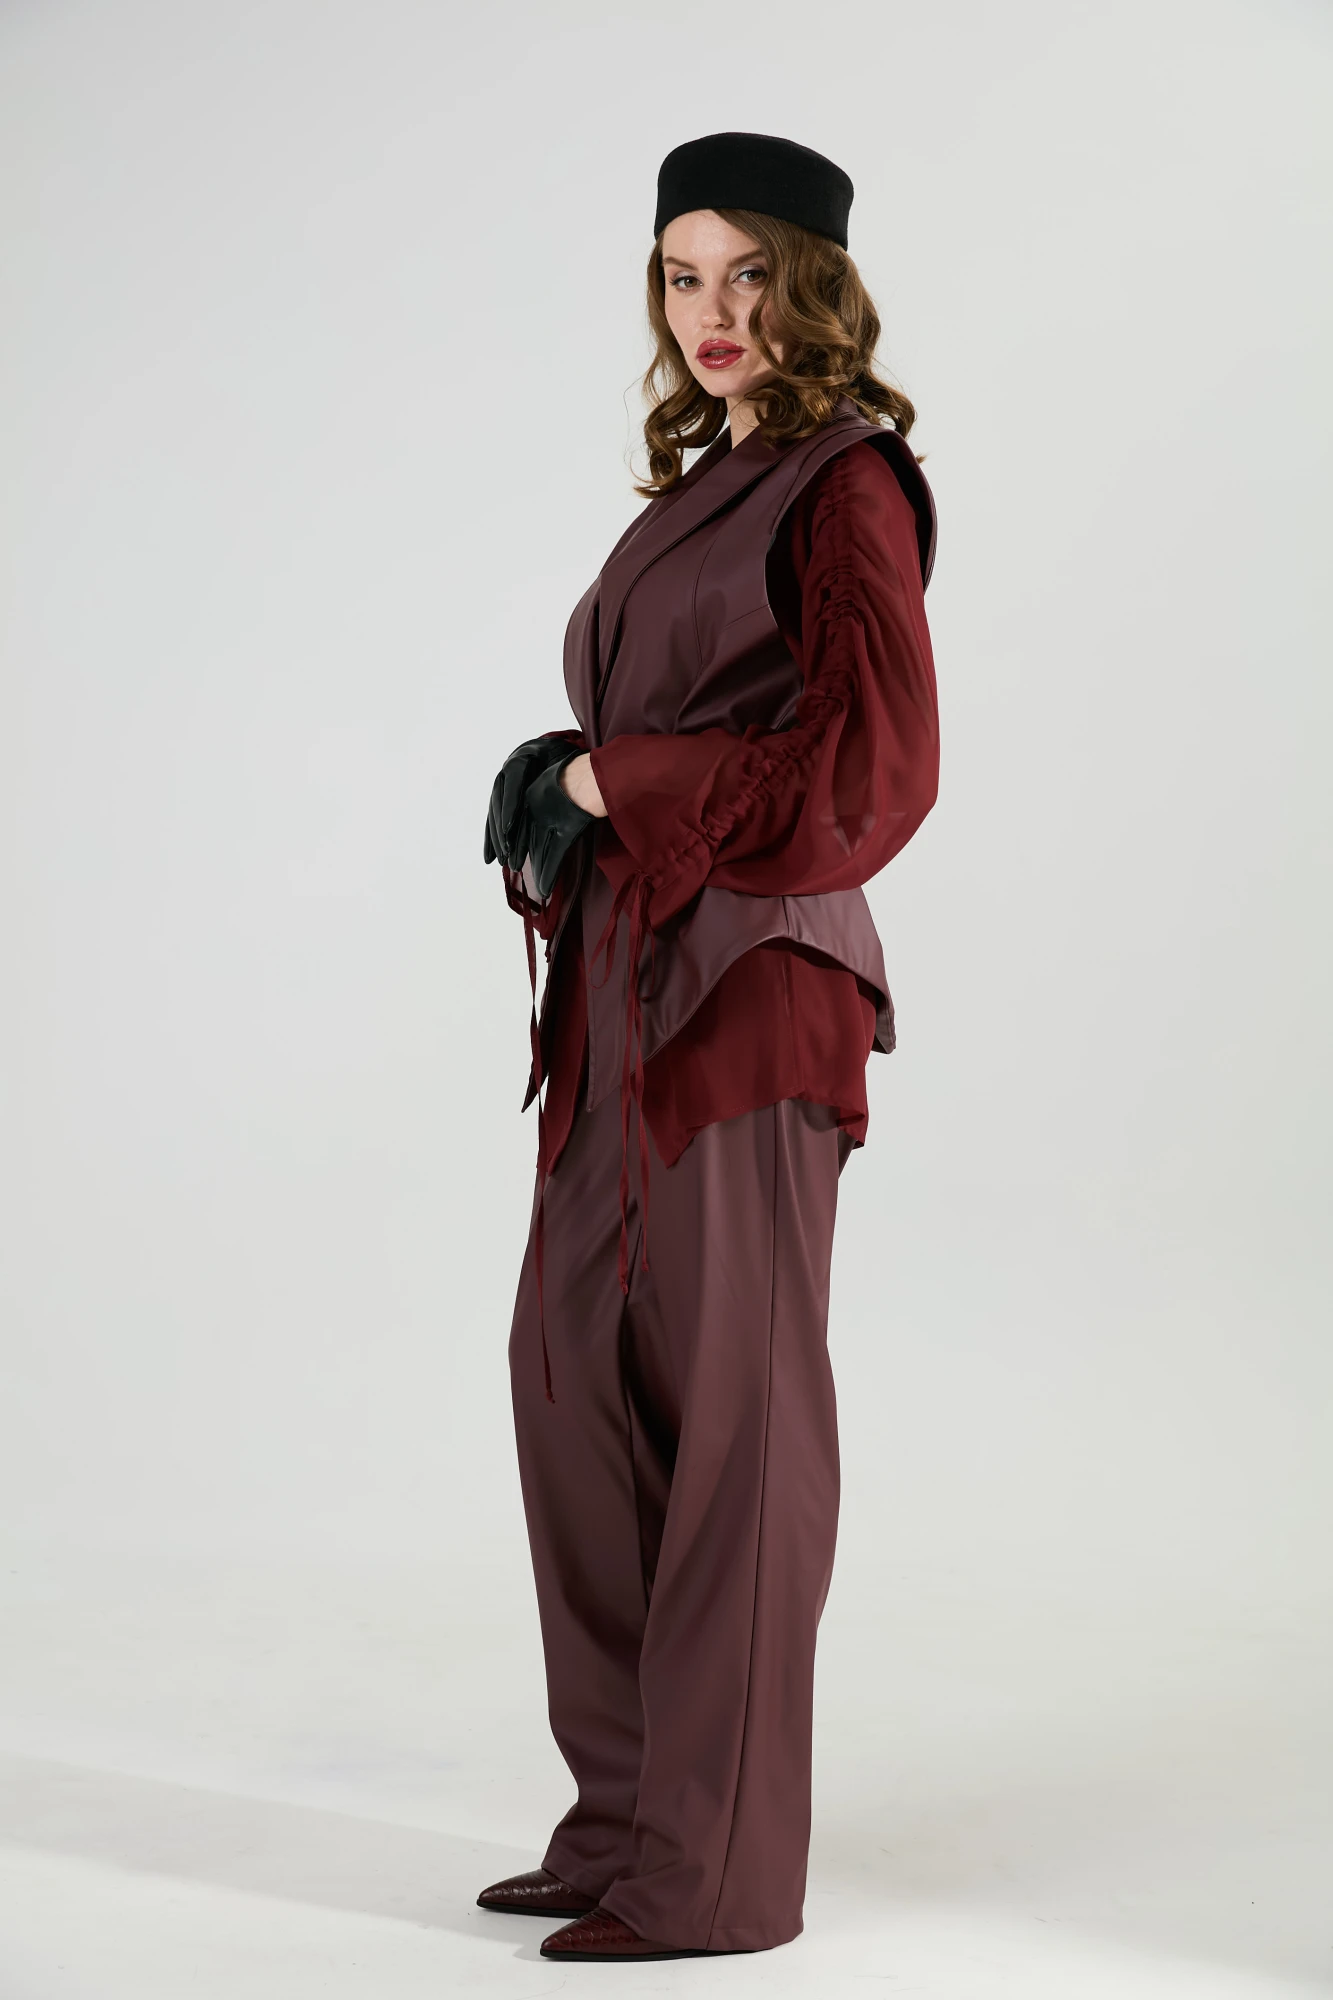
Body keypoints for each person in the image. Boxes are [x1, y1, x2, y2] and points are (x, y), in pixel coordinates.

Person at [477, 130, 939, 1963]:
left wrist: (621, 781)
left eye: (750, 273)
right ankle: (626, 1824)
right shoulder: (712, 481)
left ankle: (718, 1871)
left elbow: (871, 766)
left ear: (814, 284)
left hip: (752, 993)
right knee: (576, 1384)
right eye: (683, 276)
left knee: (732, 1411)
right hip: (626, 984)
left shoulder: (847, 484)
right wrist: (565, 787)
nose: (712, 311)